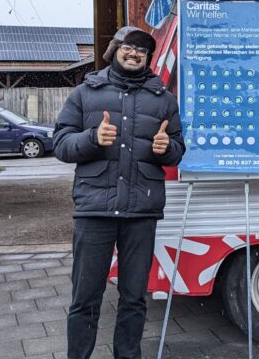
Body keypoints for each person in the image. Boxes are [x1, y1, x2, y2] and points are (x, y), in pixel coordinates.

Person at [54, 25, 185, 359]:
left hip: (141, 212)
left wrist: (166, 147)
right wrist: (91, 139)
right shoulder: (85, 93)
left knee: (134, 298)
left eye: (142, 49)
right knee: (85, 298)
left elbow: (179, 148)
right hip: (94, 211)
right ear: (114, 50)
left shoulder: (164, 100)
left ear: (148, 58)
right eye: (128, 47)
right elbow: (61, 143)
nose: (134, 53)